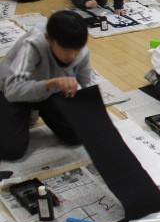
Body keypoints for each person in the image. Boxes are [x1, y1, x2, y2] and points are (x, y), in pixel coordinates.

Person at [0, 11, 94, 161]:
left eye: (77, 50)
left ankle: (35, 110)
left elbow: (88, 84)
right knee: (11, 150)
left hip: (49, 93)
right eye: (65, 49)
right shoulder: (32, 45)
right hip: (13, 92)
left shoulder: (81, 51)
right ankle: (24, 111)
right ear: (48, 38)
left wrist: (95, 115)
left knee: (79, 135)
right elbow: (12, 90)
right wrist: (51, 83)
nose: (71, 56)